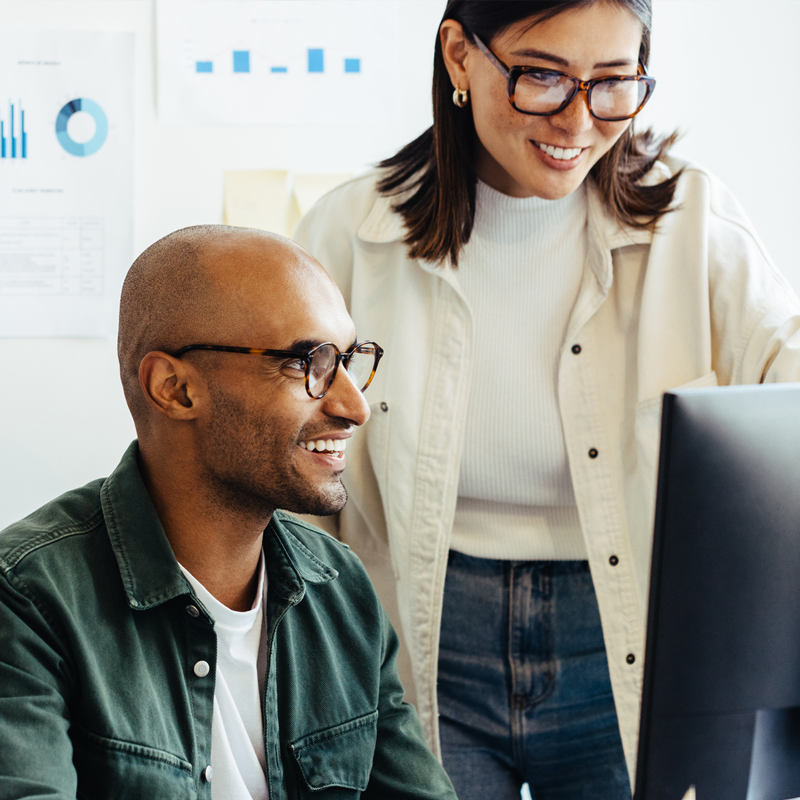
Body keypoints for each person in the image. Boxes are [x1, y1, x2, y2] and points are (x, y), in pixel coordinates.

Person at [294, 1, 800, 798]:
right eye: (541, 77)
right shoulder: (351, 234)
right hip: (424, 636)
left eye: (612, 84)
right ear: (460, 56)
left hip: (624, 632)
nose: (577, 120)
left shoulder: (692, 222)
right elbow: (285, 462)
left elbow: (789, 393)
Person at [0, 225, 458, 800]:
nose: (354, 405)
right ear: (175, 388)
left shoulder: (341, 589)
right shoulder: (27, 599)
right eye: (305, 362)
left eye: (347, 359)